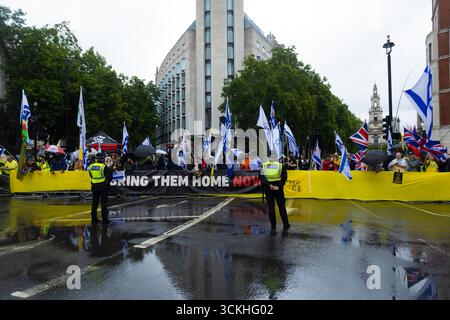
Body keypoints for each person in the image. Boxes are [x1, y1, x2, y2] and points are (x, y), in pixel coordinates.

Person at [259, 155, 290, 234]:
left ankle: (273, 225)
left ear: (269, 159)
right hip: (278, 188)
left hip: (268, 188)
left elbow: (261, 177)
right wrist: (279, 185)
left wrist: (269, 185)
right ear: (276, 158)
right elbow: (284, 176)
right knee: (281, 206)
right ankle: (286, 224)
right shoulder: (280, 166)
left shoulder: (264, 165)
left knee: (271, 206)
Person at [88, 153, 113, 224]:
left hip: (94, 186)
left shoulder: (91, 166)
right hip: (103, 187)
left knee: (94, 204)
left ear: (96, 159)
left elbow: (90, 175)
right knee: (104, 204)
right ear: (103, 159)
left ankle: (94, 219)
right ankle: (105, 220)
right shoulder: (104, 167)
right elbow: (109, 177)